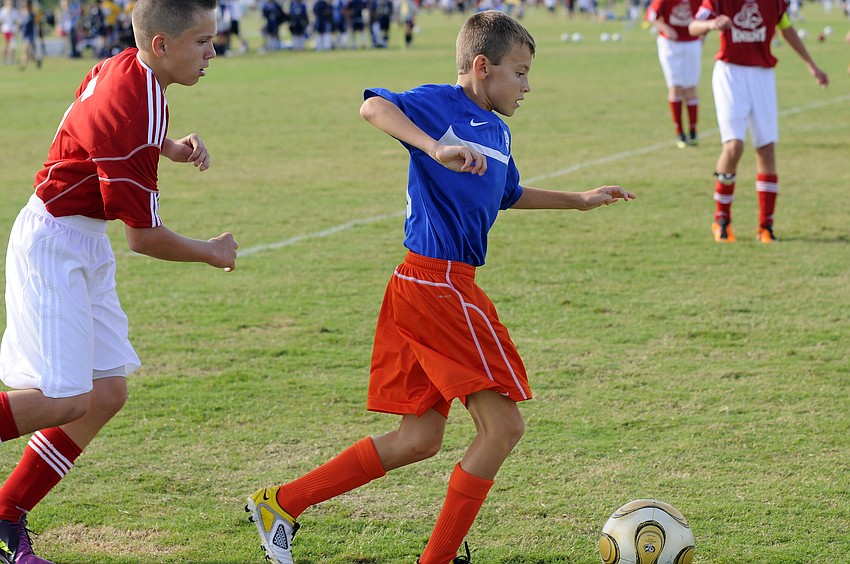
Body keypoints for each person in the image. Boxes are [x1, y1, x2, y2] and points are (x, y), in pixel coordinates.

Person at [246, 10, 634, 564]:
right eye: (520, 73)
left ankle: (280, 504)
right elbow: (372, 106)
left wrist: (578, 199)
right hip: (436, 284)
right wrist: (431, 147)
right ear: (482, 66)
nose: (528, 86)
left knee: (420, 438)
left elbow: (508, 194)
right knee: (502, 428)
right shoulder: (441, 104)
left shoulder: (498, 129)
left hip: (428, 286)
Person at [0, 1, 238, 562]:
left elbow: (106, 138)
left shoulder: (130, 69)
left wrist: (172, 147)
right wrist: (211, 251)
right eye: (202, 42)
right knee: (64, 397)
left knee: (105, 393)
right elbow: (143, 238)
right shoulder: (133, 103)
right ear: (161, 45)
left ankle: (7, 513)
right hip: (53, 243)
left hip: (80, 240)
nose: (212, 53)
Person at [689, 0, 828, 243]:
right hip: (730, 73)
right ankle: (722, 219)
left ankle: (766, 226)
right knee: (734, 146)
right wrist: (711, 24)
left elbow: (786, 28)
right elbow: (692, 26)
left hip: (763, 74)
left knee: (766, 148)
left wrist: (811, 65)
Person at [646, 0, 703, 148]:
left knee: (691, 88)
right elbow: (651, 15)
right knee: (676, 87)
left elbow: (706, 16)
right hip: (670, 44)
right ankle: (680, 133)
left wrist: (703, 34)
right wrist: (665, 27)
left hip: (692, 43)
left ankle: (693, 131)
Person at [1, 0, 20, 65]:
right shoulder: (3, 11)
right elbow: (1, 21)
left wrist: (16, 29)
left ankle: (12, 59)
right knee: (6, 46)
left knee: (13, 46)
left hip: (12, 31)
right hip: (5, 30)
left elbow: (17, 21)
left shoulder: (14, 11)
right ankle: (4, 59)